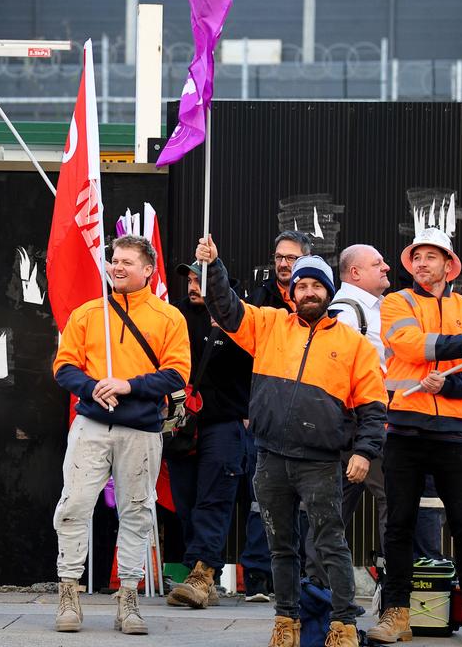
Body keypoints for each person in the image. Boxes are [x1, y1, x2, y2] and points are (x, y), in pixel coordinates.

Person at [196, 235, 386, 647]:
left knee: (330, 543)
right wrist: (214, 266)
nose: (309, 292)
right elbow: (226, 308)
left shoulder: (354, 345)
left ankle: (343, 626)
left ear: (328, 292)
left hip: (321, 463)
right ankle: (286, 623)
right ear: (293, 292)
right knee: (281, 548)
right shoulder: (268, 324)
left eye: (317, 286)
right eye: (302, 286)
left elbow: (373, 406)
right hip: (270, 458)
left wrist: (365, 452)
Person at [369, 228, 462, 647]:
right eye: (418, 257)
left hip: (453, 432)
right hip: (405, 428)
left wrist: (449, 387)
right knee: (398, 525)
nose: (423, 263)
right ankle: (396, 615)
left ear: (449, 265)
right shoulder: (397, 302)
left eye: (432, 257)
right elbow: (412, 344)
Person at [51, 235, 190, 636]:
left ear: (149, 270)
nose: (117, 267)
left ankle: (128, 597)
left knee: (137, 512)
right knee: (74, 504)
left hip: (142, 430)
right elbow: (63, 367)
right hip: (91, 424)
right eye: (114, 260)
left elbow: (177, 372)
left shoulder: (169, 318)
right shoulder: (87, 313)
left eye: (128, 262)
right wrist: (91, 385)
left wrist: (128, 385)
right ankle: (68, 590)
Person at [164, 261, 250, 609]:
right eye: (190, 279)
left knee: (214, 498)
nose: (193, 285)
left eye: (201, 279)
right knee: (185, 503)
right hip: (182, 422)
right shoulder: (170, 316)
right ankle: (202, 571)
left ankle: (201, 574)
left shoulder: (239, 316)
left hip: (224, 420)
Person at [305, 244, 391, 585]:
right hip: (356, 423)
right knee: (388, 501)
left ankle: (317, 586)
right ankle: (390, 591)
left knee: (333, 507)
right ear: (355, 273)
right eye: (378, 263)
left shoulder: (376, 308)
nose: (386, 267)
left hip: (362, 421)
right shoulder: (344, 312)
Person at [241, 230, 312, 602]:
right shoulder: (260, 298)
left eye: (291, 257)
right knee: (261, 497)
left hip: (305, 415)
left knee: (301, 500)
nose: (283, 263)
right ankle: (256, 577)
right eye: (279, 257)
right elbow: (243, 358)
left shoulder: (319, 299)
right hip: (265, 414)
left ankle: (296, 576)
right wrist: (247, 409)